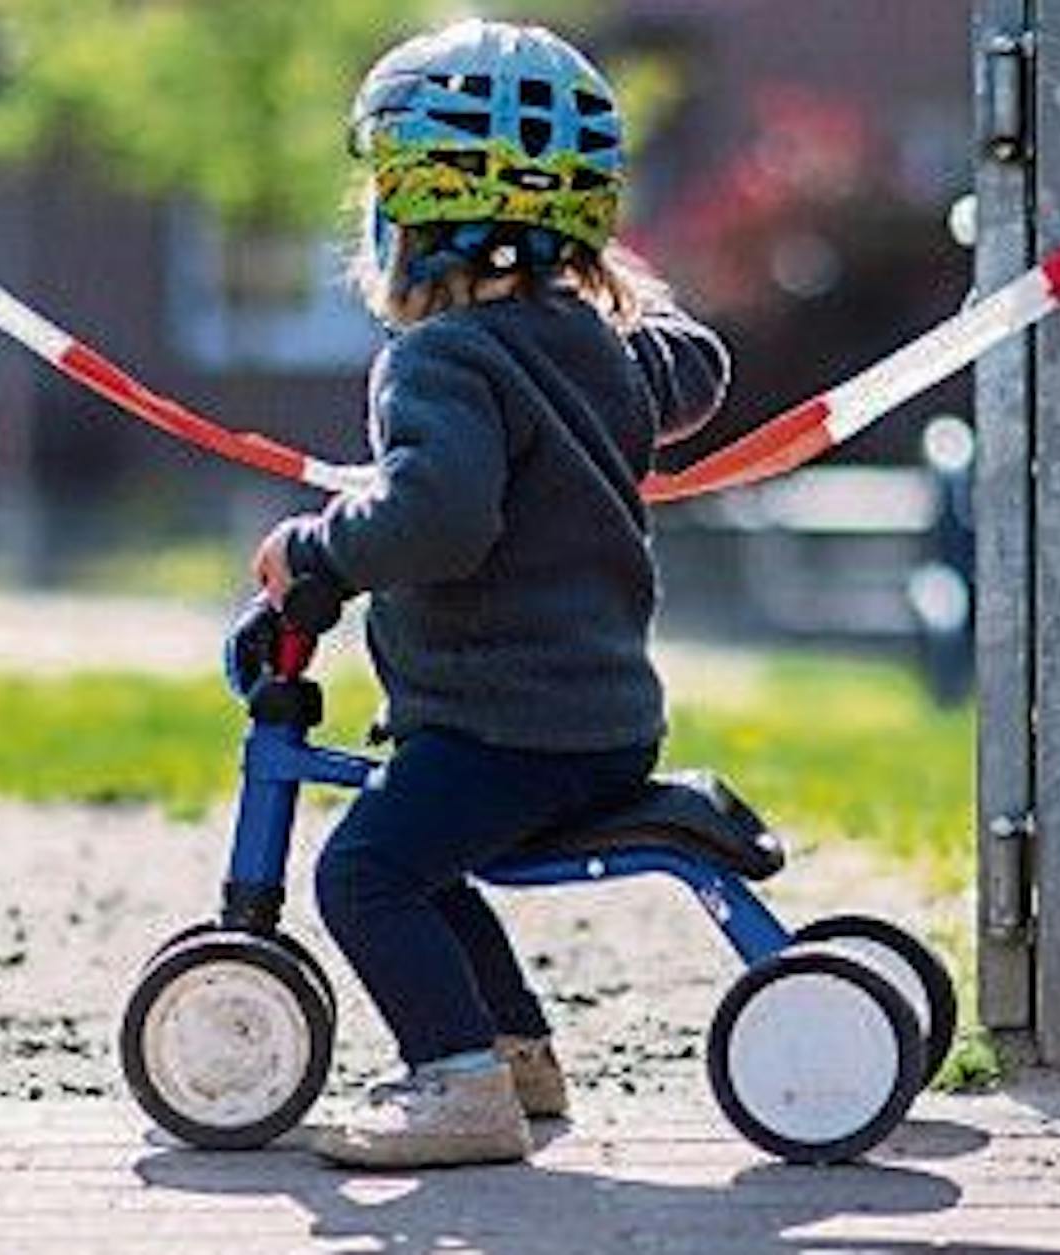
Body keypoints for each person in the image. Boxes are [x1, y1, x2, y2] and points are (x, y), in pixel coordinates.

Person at [251, 17, 729, 1169]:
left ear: (403, 214)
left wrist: (315, 553)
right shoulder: (598, 343)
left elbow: (440, 520)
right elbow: (698, 364)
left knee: (362, 872)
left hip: (503, 727)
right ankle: (512, 1050)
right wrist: (600, 285)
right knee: (420, 857)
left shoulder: (441, 359)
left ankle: (460, 1088)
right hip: (596, 718)